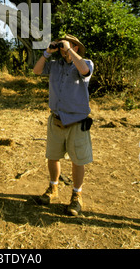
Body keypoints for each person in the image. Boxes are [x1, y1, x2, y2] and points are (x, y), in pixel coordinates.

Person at [33, 34, 94, 216]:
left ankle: (77, 195)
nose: (63, 48)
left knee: (78, 160)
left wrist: (68, 49)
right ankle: (53, 188)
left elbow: (84, 71)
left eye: (70, 45)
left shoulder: (86, 63)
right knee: (53, 156)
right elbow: (36, 71)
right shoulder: (55, 65)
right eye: (62, 45)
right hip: (56, 119)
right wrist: (47, 52)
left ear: (76, 48)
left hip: (77, 121)